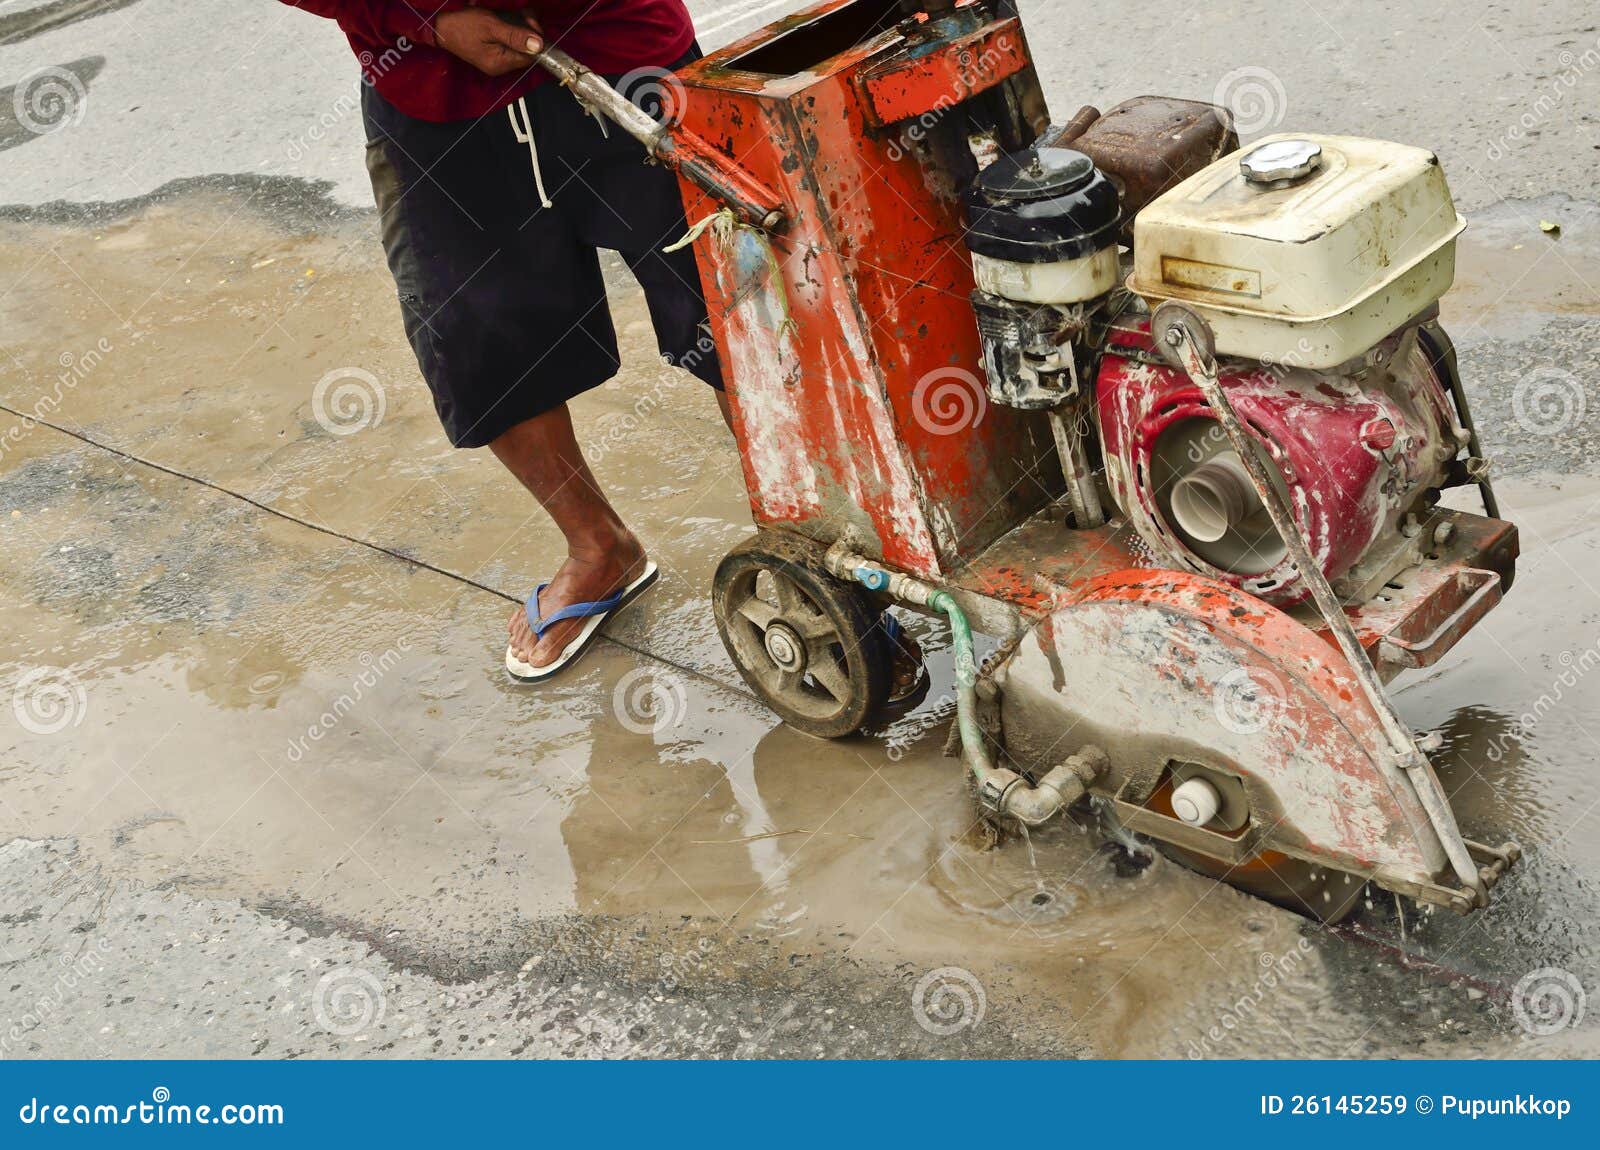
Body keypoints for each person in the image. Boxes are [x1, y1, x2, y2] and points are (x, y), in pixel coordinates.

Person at [280, 0, 724, 681]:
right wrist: (421, 19)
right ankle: (597, 546)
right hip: (431, 88)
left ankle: (814, 545)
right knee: (473, 333)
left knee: (737, 311)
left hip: (621, 47)